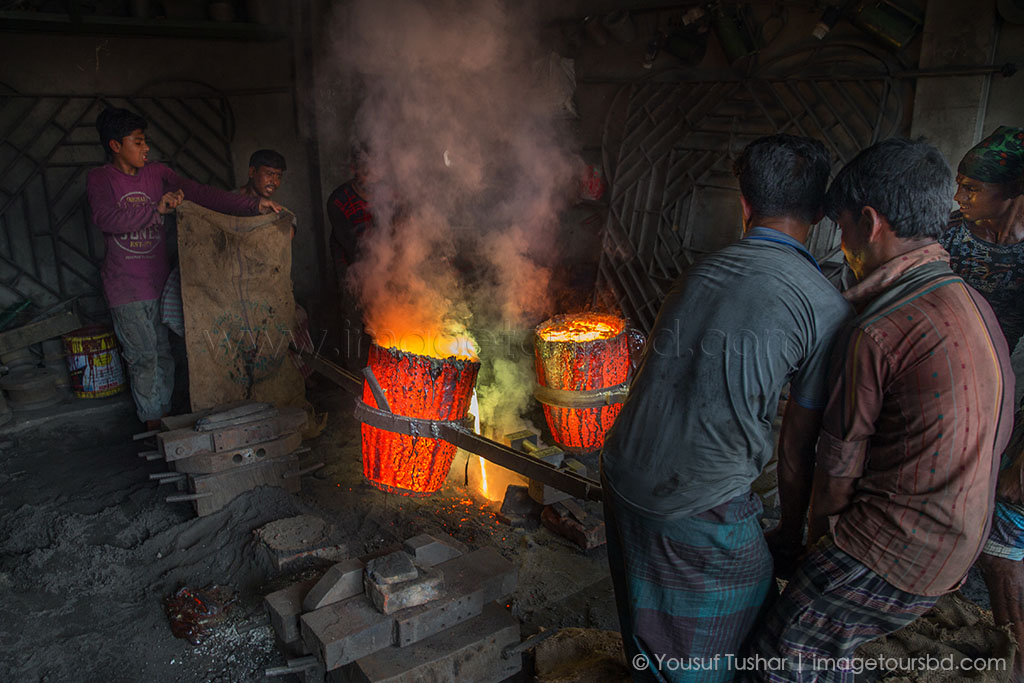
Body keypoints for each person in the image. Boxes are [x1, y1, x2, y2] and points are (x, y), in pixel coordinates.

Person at [748, 138, 1015, 683]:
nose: (841, 244)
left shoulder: (880, 330)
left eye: (841, 229)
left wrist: (813, 561)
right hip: (962, 541)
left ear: (869, 223)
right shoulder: (968, 300)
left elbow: (835, 473)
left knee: (776, 656)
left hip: (902, 553)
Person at [600, 134, 851, 682]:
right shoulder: (824, 305)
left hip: (619, 472)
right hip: (693, 499)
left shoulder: (700, 272)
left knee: (650, 630)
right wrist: (791, 531)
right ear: (820, 214)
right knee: (732, 640)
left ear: (745, 205)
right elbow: (797, 446)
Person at [87, 107, 279, 427]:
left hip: (162, 284)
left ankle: (165, 422)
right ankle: (153, 426)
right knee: (144, 359)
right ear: (115, 145)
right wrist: (154, 208)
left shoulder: (158, 174)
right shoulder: (99, 179)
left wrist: (252, 205)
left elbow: (202, 195)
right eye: (137, 142)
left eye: (145, 142)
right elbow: (105, 219)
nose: (145, 148)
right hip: (126, 288)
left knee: (166, 355)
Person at [944, 128, 1024, 683]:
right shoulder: (951, 237)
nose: (960, 198)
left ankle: (1012, 654)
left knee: (1002, 544)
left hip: (1000, 397)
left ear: (1013, 193)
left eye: (972, 188)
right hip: (940, 386)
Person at [940, 126, 1024, 353]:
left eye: (971, 188)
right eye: (959, 184)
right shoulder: (945, 233)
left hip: (993, 365)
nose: (958, 197)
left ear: (1015, 188)